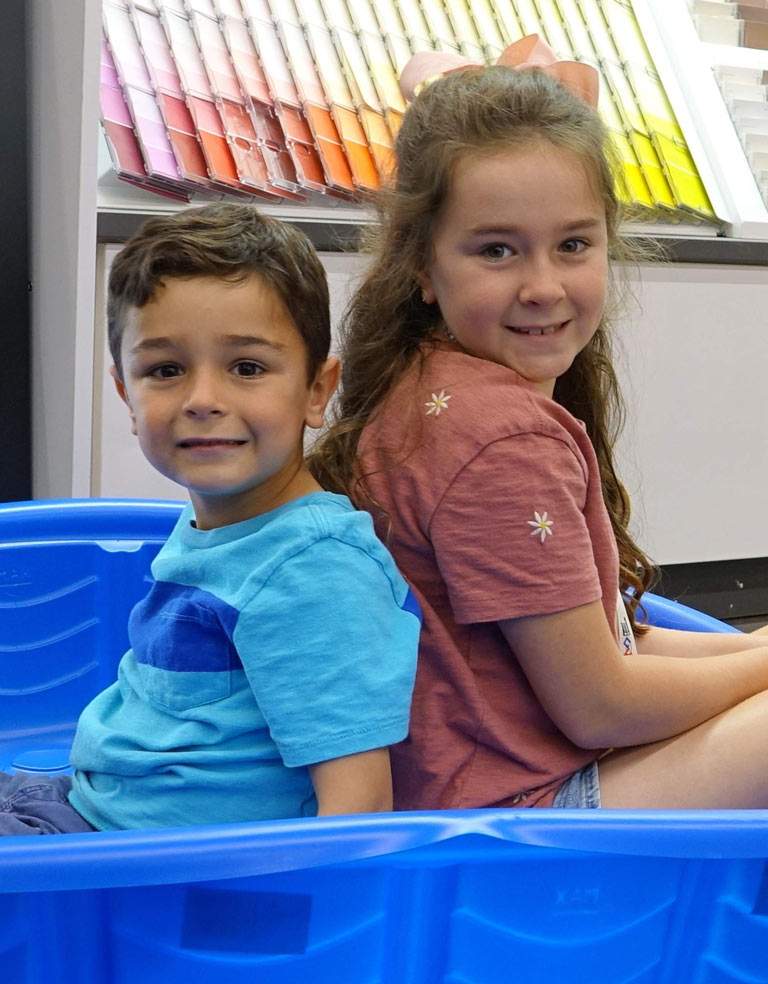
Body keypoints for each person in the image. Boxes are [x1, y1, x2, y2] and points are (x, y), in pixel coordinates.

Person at [310, 36, 768, 811]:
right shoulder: (500, 440)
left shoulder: (429, 379)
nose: (544, 286)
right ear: (423, 264)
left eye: (573, 245)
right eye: (498, 251)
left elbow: (614, 640)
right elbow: (599, 704)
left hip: (484, 777)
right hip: (515, 823)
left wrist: (753, 651)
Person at [1, 204, 419, 835]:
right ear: (126, 395)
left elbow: (356, 813)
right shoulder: (223, 526)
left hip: (133, 869)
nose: (203, 400)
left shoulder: (313, 573)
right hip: (80, 804)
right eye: (165, 371)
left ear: (316, 389)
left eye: (247, 368)